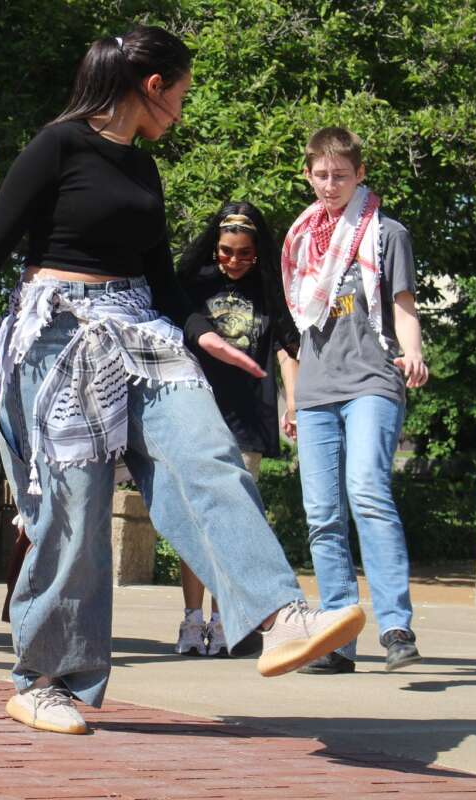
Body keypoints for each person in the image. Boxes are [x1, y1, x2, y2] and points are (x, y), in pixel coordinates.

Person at [0, 26, 365, 736]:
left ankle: (278, 615)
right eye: (182, 96)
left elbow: (161, 279)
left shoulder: (143, 170)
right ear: (153, 87)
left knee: (208, 455)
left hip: (141, 332)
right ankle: (44, 680)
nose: (183, 113)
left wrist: (204, 336)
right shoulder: (58, 145)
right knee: (73, 513)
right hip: (58, 332)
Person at [280, 127, 428, 674]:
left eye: (341, 175)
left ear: (359, 174)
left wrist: (413, 354)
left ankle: (395, 625)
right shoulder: (299, 241)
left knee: (366, 489)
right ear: (309, 174)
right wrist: (292, 400)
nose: (330, 184)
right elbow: (294, 335)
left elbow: (404, 303)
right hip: (317, 389)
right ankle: (338, 635)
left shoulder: (387, 234)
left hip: (372, 379)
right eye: (321, 175)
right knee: (321, 513)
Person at [173, 201, 300, 657]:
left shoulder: (268, 288)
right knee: (195, 522)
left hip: (247, 418)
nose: (234, 261)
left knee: (234, 521)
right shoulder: (191, 282)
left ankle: (227, 617)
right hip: (194, 414)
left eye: (245, 253)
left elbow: (288, 348)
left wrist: (295, 404)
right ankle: (191, 620)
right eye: (227, 252)